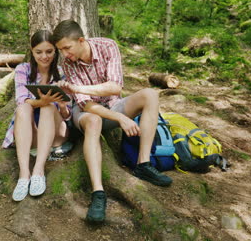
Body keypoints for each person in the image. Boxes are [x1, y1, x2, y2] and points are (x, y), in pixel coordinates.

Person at [52, 20, 172, 223]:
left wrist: (77, 88)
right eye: (60, 50)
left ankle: (143, 164)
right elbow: (87, 106)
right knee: (93, 122)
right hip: (86, 112)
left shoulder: (108, 46)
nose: (64, 54)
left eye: (67, 48)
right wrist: (121, 118)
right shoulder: (67, 64)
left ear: (81, 40)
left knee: (150, 94)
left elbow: (115, 87)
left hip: (112, 104)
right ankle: (98, 193)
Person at [2, 30, 72, 202]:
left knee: (48, 107)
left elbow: (68, 116)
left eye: (49, 51)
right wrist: (40, 101)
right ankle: (24, 174)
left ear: (55, 51)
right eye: (39, 52)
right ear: (32, 51)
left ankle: (38, 171)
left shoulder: (62, 72)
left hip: (56, 134)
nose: (44, 56)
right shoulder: (23, 70)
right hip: (31, 133)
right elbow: (21, 100)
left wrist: (62, 106)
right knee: (23, 108)